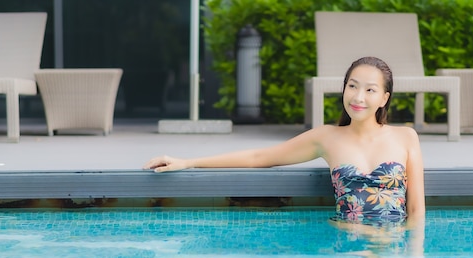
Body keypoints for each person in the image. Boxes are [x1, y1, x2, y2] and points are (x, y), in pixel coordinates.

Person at [143, 56, 425, 225]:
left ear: (384, 98)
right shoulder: (327, 137)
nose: (358, 97)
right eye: (352, 86)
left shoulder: (405, 137)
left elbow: (415, 210)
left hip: (392, 245)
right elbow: (261, 158)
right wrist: (188, 162)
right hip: (348, 246)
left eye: (370, 89)